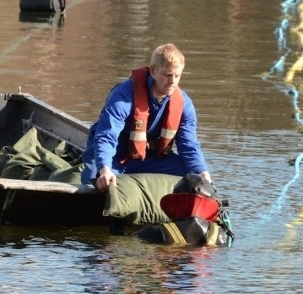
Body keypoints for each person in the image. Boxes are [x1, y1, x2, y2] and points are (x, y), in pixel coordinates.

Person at [81, 43, 211, 192]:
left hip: (148, 158)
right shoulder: (123, 95)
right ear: (153, 71)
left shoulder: (184, 104)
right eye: (167, 75)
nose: (173, 81)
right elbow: (106, 136)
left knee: (193, 179)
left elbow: (189, 145)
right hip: (113, 155)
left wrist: (203, 173)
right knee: (96, 186)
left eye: (177, 75)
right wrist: (104, 168)